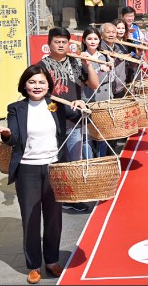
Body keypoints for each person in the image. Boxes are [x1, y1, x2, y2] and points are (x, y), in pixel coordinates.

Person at [0, 65, 87, 284]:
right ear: (25, 85)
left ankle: (51, 261)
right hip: (27, 171)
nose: (37, 86)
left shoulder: (56, 105)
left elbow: (80, 113)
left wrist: (80, 104)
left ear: (48, 85)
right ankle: (33, 265)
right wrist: (6, 134)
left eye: (41, 82)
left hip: (54, 168)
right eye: (32, 82)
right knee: (31, 219)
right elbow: (14, 138)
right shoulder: (16, 108)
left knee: (54, 218)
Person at [37, 27, 99, 212]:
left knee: (73, 159)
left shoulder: (75, 63)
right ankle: (51, 194)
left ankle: (70, 197)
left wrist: (87, 64)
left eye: (64, 41)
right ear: (49, 44)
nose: (61, 45)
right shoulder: (42, 66)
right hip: (50, 119)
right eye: (57, 41)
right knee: (53, 158)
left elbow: (93, 84)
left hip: (73, 120)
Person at [80, 27, 112, 158]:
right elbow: (85, 79)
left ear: (99, 40)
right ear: (83, 40)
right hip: (88, 97)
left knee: (102, 133)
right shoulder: (80, 57)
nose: (93, 41)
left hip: (103, 98)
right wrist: (100, 69)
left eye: (95, 39)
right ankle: (89, 161)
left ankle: (101, 159)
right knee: (86, 134)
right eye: (89, 39)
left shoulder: (104, 56)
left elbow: (111, 79)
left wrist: (110, 66)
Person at [100, 22, 128, 99]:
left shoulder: (120, 49)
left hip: (120, 88)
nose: (111, 35)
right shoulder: (99, 50)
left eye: (113, 32)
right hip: (104, 91)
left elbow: (128, 67)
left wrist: (138, 55)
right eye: (108, 32)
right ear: (101, 35)